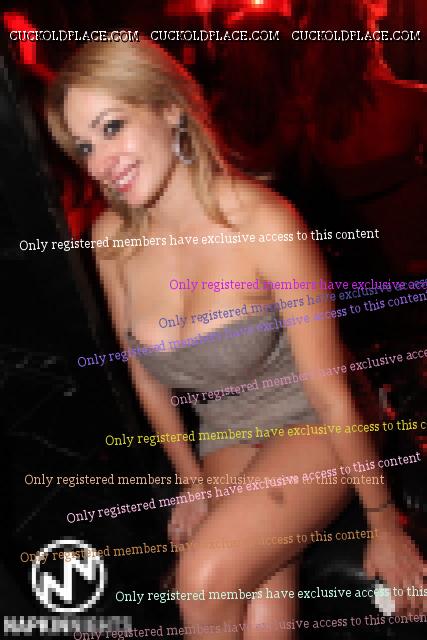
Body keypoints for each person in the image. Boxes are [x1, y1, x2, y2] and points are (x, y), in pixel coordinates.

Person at [45, 38, 425, 640]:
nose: (99, 163)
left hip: (315, 423)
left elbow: (330, 395)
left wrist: (384, 524)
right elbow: (145, 376)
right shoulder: (111, 239)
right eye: (85, 145)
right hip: (225, 428)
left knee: (203, 582)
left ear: (171, 109)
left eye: (112, 126)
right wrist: (191, 483)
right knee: (260, 618)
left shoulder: (266, 224)